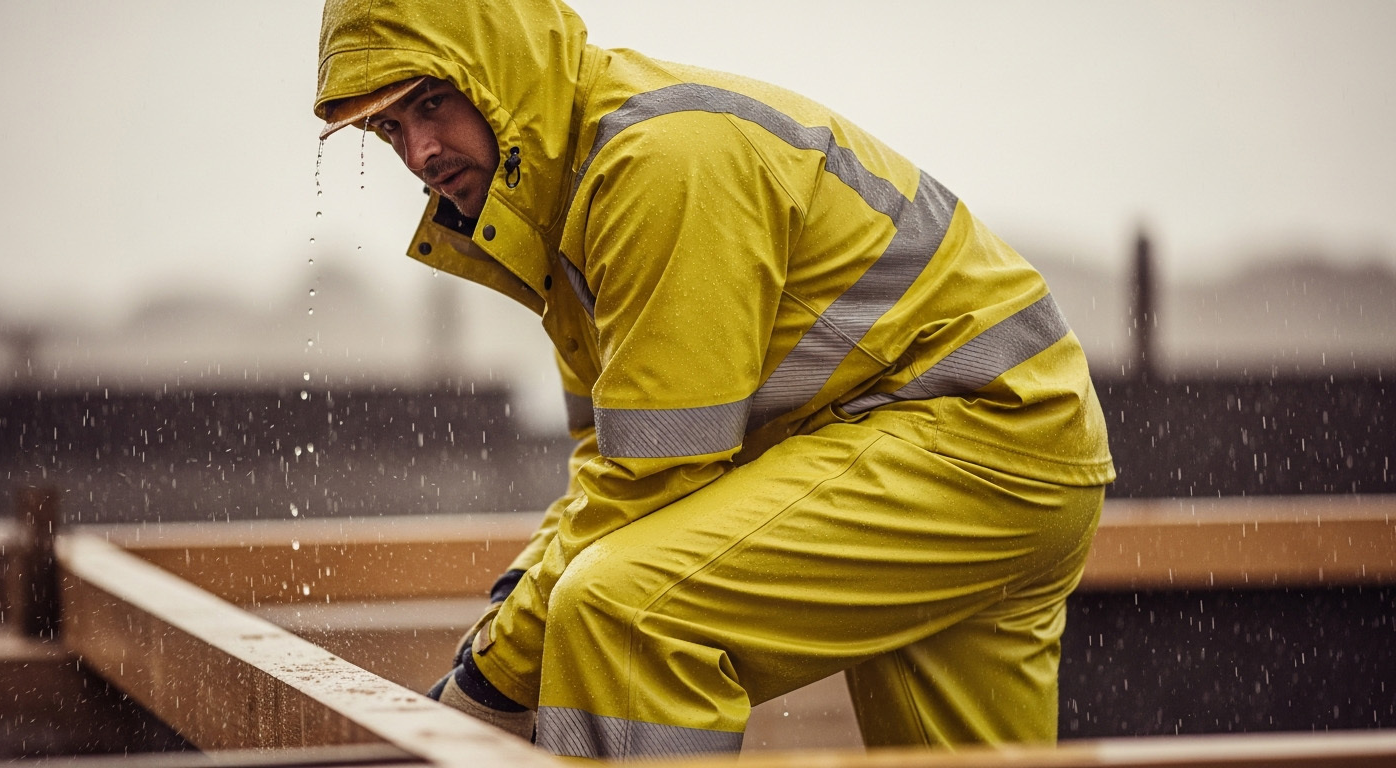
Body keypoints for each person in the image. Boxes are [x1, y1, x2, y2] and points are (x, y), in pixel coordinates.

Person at [314, 0, 1114, 760]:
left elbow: (654, 480)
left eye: (431, 105)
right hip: (1011, 450)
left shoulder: (654, 165)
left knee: (621, 615)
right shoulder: (571, 214)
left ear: (501, 70)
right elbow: (610, 459)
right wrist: (505, 618)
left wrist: (491, 681)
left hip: (974, 438)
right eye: (389, 128)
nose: (418, 154)